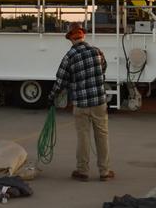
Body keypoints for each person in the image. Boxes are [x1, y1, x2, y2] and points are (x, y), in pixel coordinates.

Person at [48, 22, 113, 182]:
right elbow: (103, 69)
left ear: (70, 38)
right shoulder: (97, 52)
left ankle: (82, 171)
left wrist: (51, 97)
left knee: (83, 137)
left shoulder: (69, 57)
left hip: (81, 103)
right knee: (102, 136)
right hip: (99, 101)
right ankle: (104, 172)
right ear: (83, 35)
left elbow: (60, 81)